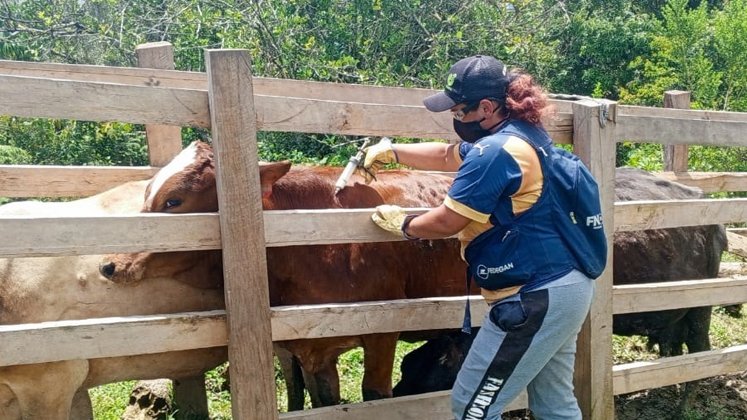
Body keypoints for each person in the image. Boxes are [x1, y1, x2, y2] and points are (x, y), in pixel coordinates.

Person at [362, 55, 596, 419]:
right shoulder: (523, 139)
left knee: (472, 406)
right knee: (554, 403)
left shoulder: (495, 152)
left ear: (486, 107)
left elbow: (447, 221)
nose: (455, 118)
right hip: (567, 288)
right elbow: (444, 155)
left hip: (533, 298)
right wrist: (392, 152)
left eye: (458, 110)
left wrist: (405, 224)